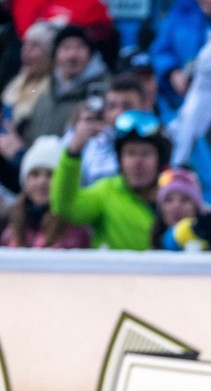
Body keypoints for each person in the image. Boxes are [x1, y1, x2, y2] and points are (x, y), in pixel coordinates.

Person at [51, 109, 168, 249]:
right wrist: (73, 153)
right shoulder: (106, 192)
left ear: (159, 160)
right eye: (130, 154)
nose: (138, 162)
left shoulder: (176, 193)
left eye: (146, 154)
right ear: (119, 160)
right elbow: (65, 208)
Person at [20, 23, 108, 143]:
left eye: (80, 47)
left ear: (90, 54)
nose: (72, 55)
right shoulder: (45, 92)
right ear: (56, 55)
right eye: (66, 48)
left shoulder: (103, 92)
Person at [0, 135, 91, 248]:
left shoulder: (75, 232)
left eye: (50, 175)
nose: (42, 182)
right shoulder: (10, 230)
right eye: (35, 174)